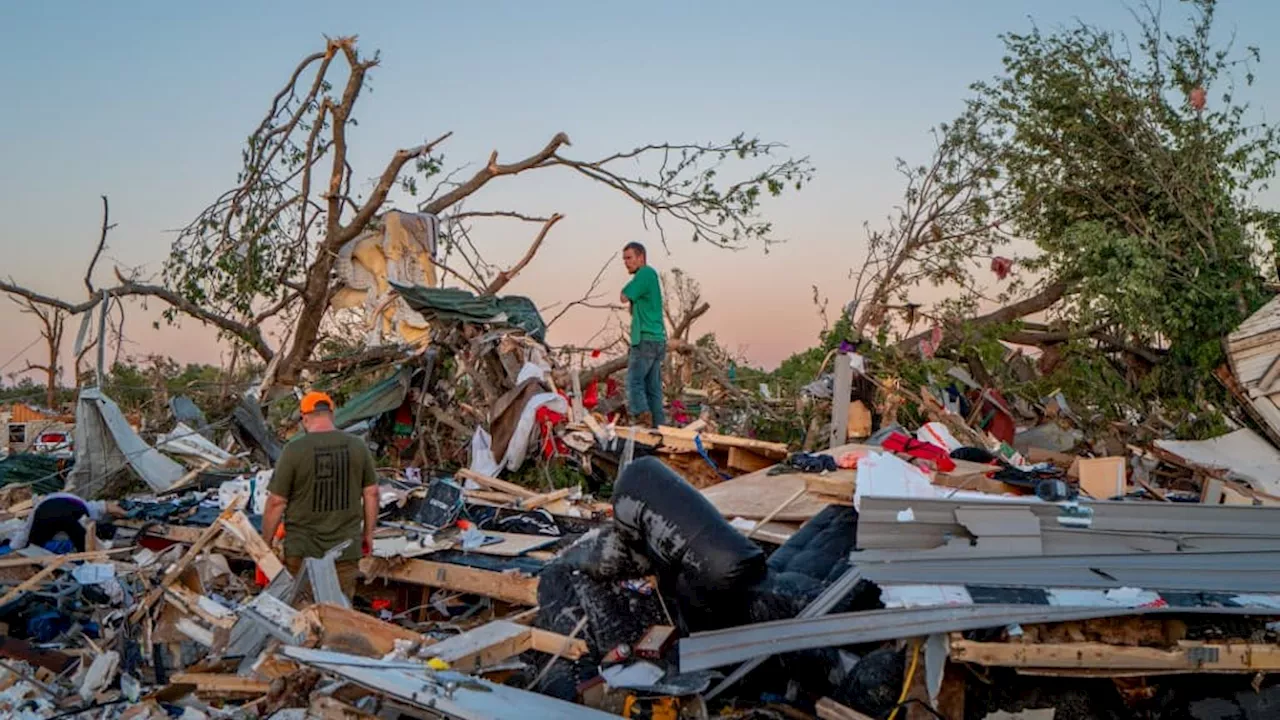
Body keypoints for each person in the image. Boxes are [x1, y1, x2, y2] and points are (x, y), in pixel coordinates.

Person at [262, 391, 379, 601]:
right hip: (345, 550)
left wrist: (266, 541)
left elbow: (276, 502)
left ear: (305, 418)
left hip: (302, 550)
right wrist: (368, 535)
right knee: (339, 614)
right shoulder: (357, 446)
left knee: (301, 614)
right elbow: (371, 493)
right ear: (331, 415)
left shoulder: (294, 450)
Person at [619, 241, 666, 427]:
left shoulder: (645, 273)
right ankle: (659, 428)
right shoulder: (651, 275)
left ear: (641, 257)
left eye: (629, 258)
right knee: (653, 388)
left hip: (645, 339)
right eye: (624, 259)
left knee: (633, 382)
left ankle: (643, 420)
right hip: (657, 339)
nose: (626, 263)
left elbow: (624, 296)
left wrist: (627, 291)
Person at [9, 493, 124, 553]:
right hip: (67, 509)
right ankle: (112, 538)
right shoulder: (78, 503)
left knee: (82, 541)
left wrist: (14, 548)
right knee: (82, 537)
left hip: (53, 516)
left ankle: (91, 556)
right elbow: (103, 506)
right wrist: (125, 513)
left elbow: (21, 539)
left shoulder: (33, 517)